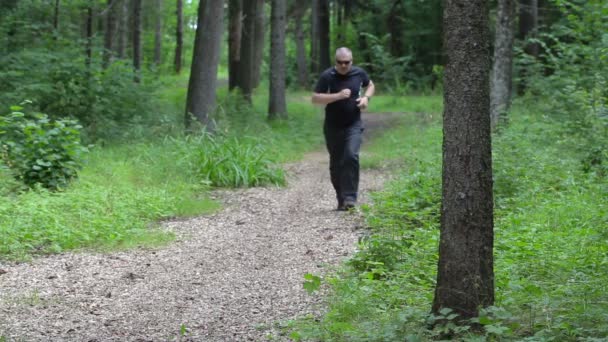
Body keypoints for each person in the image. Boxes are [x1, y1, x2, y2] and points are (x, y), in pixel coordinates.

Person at [312, 47, 375, 211]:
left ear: (351, 61)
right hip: (333, 126)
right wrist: (337, 96)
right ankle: (341, 198)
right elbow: (315, 98)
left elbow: (370, 85)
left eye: (346, 62)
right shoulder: (328, 76)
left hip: (353, 124)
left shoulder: (359, 73)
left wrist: (366, 98)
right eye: (340, 63)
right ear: (336, 62)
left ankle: (350, 197)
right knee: (336, 163)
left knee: (351, 156)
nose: (343, 66)